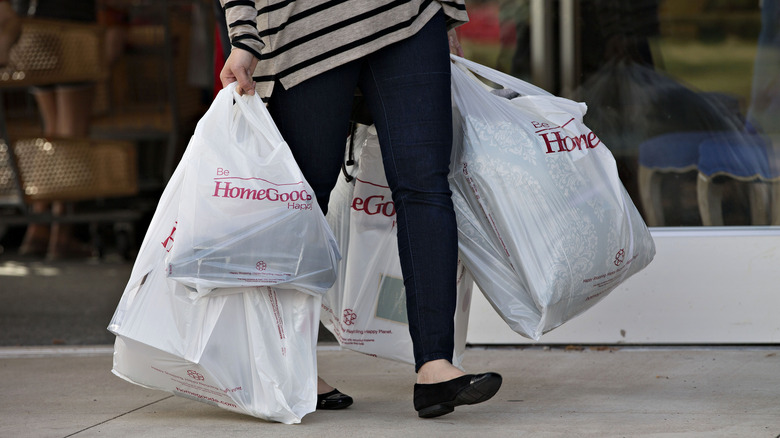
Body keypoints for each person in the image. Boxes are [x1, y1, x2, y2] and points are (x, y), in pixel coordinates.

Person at [219, 1, 502, 418]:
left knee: (426, 185)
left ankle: (435, 367)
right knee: (300, 202)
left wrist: (442, 15)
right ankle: (284, 367)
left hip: (407, 14)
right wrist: (244, 34)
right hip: (305, 28)